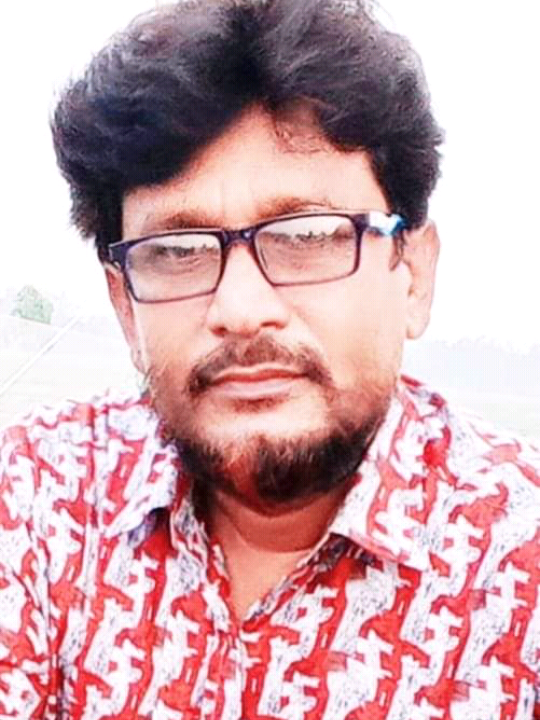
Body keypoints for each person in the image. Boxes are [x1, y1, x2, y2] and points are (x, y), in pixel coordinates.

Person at [1, 0, 539, 717]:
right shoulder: (36, 498)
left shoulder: (517, 557)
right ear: (125, 306)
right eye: (177, 251)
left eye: (308, 236)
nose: (241, 308)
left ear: (413, 275)